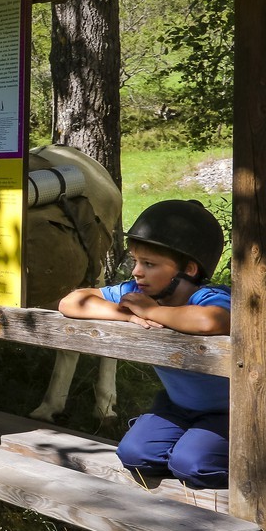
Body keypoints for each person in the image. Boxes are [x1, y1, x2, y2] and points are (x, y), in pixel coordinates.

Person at [58, 199, 231, 489]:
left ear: (188, 269)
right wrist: (125, 314)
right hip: (179, 406)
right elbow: (71, 301)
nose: (137, 272)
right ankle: (190, 443)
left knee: (192, 465)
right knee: (135, 455)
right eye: (136, 261)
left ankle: (231, 457)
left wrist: (151, 311)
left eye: (149, 264)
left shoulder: (207, 296)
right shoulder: (134, 293)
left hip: (229, 412)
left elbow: (211, 321)